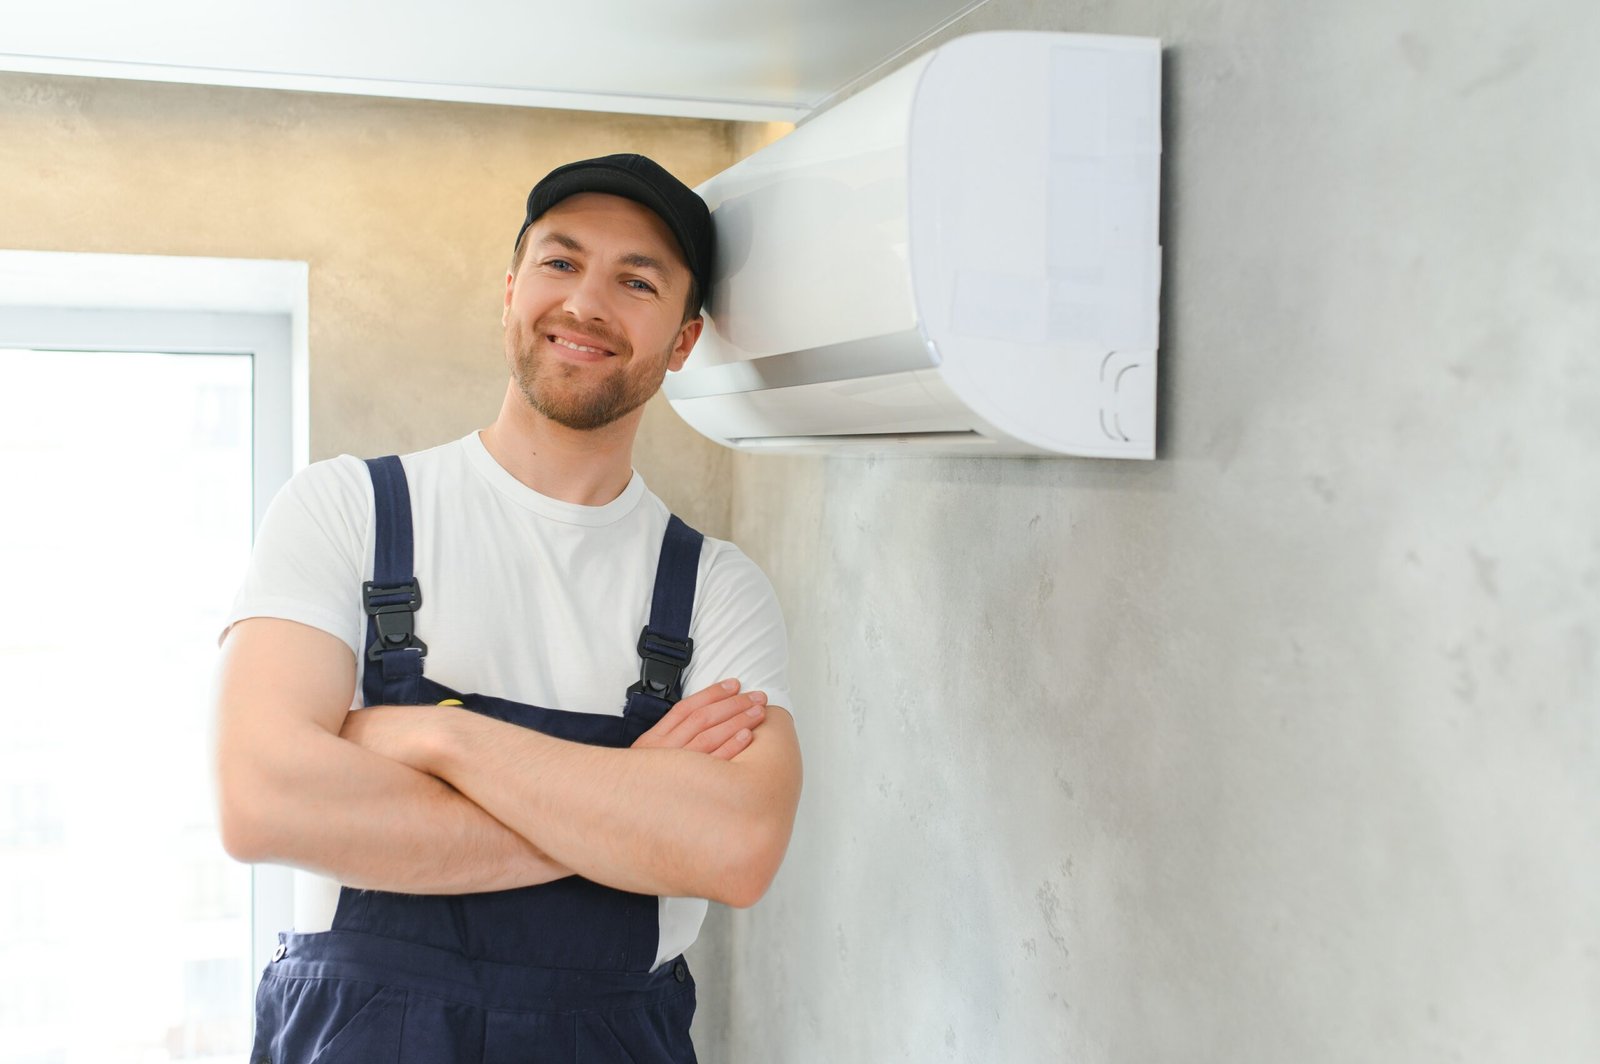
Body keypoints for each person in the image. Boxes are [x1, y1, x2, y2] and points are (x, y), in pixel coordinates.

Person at [212, 153, 801, 1063]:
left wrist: (440, 742)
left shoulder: (720, 589)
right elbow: (261, 802)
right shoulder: (346, 511)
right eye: (560, 263)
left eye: (635, 281)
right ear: (512, 290)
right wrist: (631, 811)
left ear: (683, 342)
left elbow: (735, 848)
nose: (586, 304)